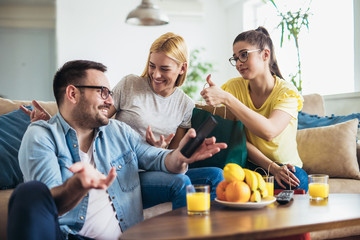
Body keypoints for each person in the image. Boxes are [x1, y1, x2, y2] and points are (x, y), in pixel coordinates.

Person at [10, 60, 227, 240]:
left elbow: (159, 159)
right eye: (102, 92)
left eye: (110, 93)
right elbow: (47, 206)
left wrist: (179, 156)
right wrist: (76, 186)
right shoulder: (42, 135)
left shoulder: (119, 131)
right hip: (68, 236)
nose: (110, 100)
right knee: (28, 194)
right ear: (73, 94)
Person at [23, 32, 225, 208]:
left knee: (215, 175)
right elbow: (93, 118)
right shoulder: (130, 85)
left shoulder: (185, 104)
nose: (155, 74)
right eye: (152, 66)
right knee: (180, 181)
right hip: (123, 166)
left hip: (154, 162)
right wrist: (55, 124)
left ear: (182, 69)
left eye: (164, 68)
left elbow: (173, 155)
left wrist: (166, 151)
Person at [200, 26, 308, 192]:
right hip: (250, 165)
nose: (238, 64)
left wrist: (227, 99)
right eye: (235, 58)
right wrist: (211, 98)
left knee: (297, 181)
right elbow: (237, 138)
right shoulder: (233, 87)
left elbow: (269, 131)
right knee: (222, 182)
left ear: (265, 55)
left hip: (286, 169)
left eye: (244, 55)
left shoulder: (288, 93)